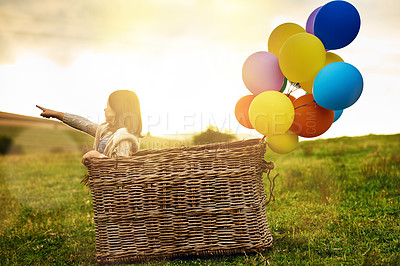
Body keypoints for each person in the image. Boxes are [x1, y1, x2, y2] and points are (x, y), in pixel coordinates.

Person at [37, 90, 142, 166]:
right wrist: (56, 114)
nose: (105, 109)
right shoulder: (105, 131)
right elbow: (84, 124)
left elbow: (121, 167)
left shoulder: (125, 137)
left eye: (108, 105)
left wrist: (97, 155)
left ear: (118, 109)